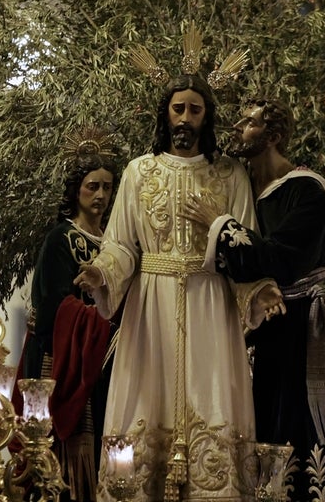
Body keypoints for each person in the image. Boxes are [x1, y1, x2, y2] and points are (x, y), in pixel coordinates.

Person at [75, 74, 280, 502]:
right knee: (145, 407)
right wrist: (102, 272)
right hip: (152, 307)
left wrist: (258, 290)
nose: (185, 117)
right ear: (165, 114)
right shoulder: (138, 172)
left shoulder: (230, 174)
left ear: (207, 117)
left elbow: (244, 245)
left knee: (212, 401)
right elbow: (121, 246)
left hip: (211, 304)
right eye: (178, 108)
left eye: (194, 109)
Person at [181, 97, 325, 492]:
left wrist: (217, 224)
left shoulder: (306, 191)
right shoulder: (247, 189)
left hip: (299, 330)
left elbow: (278, 259)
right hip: (259, 328)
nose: (238, 127)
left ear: (272, 136)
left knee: (294, 429)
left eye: (249, 122)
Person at [22, 138, 119, 502]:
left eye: (107, 187)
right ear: (76, 190)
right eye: (92, 186)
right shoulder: (61, 238)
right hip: (69, 358)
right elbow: (51, 304)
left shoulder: (115, 245)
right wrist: (96, 320)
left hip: (108, 358)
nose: (100, 195)